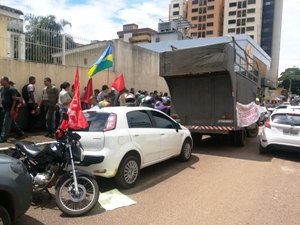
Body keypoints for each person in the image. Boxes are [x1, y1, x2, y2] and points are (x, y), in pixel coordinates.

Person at [0, 76, 24, 142]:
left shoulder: (12, 89)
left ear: (6, 80)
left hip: (10, 108)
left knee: (6, 123)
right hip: (3, 108)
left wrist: (12, 109)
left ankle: (3, 138)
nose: (0, 82)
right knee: (10, 122)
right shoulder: (2, 89)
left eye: (1, 81)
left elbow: (14, 100)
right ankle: (20, 133)